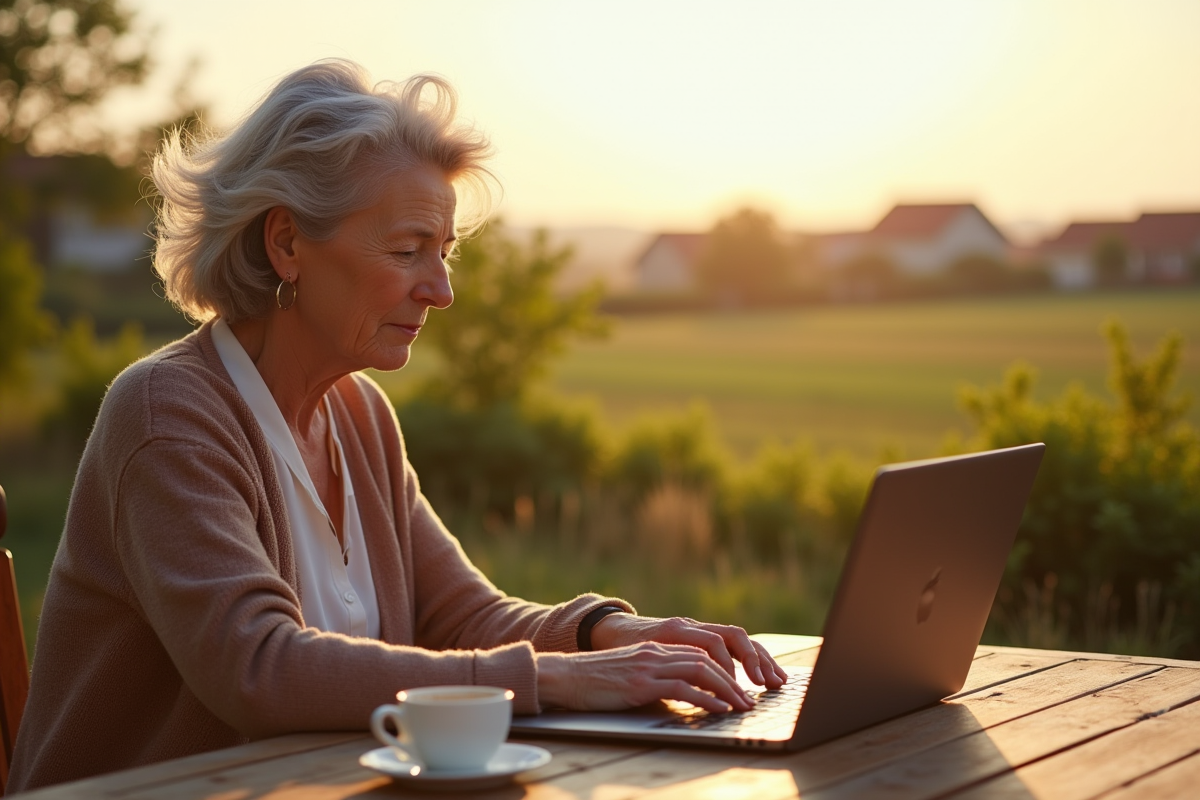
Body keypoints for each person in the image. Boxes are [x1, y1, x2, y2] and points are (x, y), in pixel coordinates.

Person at [7, 59, 786, 792]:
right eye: (408, 250)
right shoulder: (167, 414)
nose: (441, 290)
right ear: (286, 243)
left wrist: (615, 636)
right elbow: (257, 667)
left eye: (444, 252)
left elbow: (462, 618)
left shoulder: (360, 415)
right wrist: (559, 679)